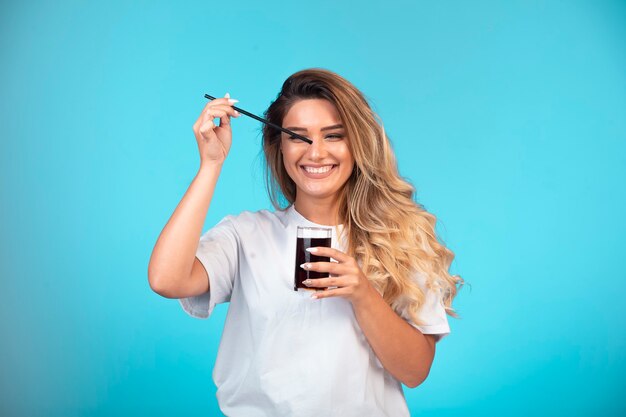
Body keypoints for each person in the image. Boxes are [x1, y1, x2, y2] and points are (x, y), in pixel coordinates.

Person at [148, 68, 464, 416]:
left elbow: (415, 371)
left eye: (333, 136)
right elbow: (166, 280)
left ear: (358, 144)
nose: (316, 153)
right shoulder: (247, 235)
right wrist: (210, 164)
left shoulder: (400, 240)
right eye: (298, 137)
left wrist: (362, 293)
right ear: (278, 145)